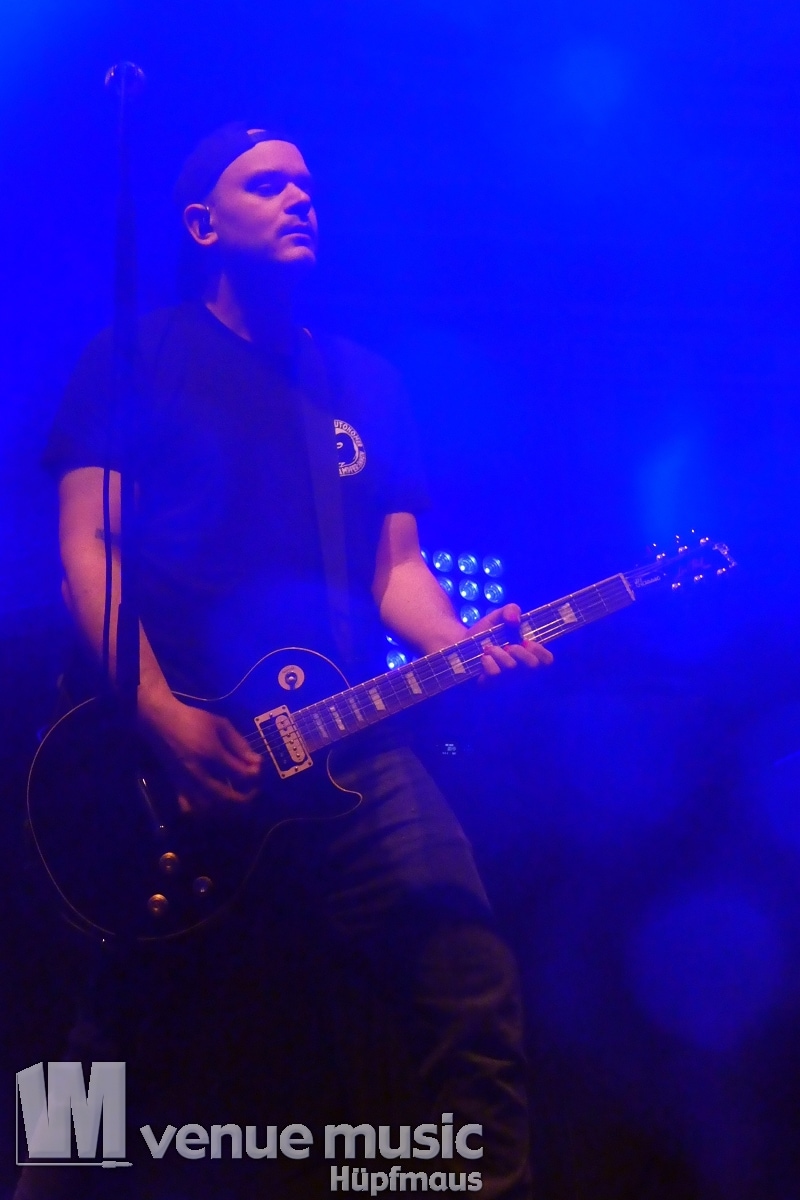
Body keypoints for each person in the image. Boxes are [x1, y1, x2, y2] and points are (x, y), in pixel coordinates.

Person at [19, 123, 552, 1199]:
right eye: (266, 183)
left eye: (306, 183)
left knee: (464, 971)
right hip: (165, 741)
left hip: (345, 737)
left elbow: (396, 570)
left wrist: (458, 644)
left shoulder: (363, 381)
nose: (299, 197)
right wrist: (163, 714)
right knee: (108, 1026)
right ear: (202, 224)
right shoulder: (134, 359)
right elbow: (88, 545)